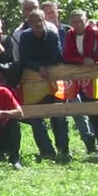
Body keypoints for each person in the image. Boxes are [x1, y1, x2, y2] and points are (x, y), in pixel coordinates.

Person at [17, 9, 71, 161]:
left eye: (39, 20)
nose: (37, 24)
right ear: (29, 22)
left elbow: (57, 56)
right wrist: (37, 67)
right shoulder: (25, 37)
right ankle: (47, 151)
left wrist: (44, 67)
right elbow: (23, 59)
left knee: (60, 116)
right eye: (33, 21)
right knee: (36, 117)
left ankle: (63, 149)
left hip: (53, 80)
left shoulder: (52, 34)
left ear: (43, 20)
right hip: (32, 83)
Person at [61, 9, 98, 158]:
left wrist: (87, 60)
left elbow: (95, 53)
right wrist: (81, 61)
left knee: (97, 109)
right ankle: (97, 143)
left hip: (96, 75)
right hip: (80, 77)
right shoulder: (70, 34)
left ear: (86, 20)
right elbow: (67, 55)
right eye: (74, 21)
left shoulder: (93, 31)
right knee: (88, 109)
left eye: (80, 20)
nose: (77, 24)